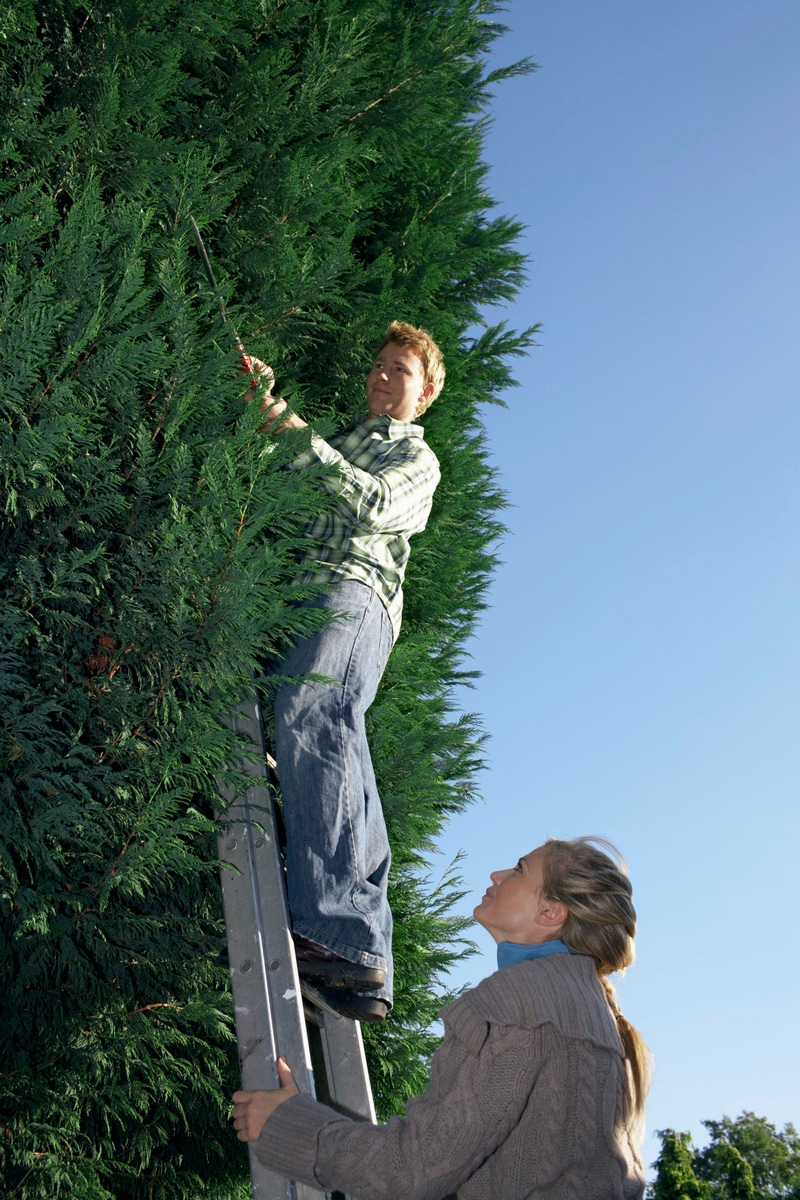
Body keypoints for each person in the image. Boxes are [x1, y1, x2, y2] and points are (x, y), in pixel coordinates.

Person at [231, 836, 650, 1199]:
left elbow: (418, 1166)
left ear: (551, 914)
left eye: (520, 870)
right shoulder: (603, 1025)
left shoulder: (521, 1004)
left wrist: (289, 1127)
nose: (497, 875)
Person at [244, 323, 444, 1022]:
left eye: (402, 371)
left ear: (424, 395)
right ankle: (357, 944)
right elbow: (305, 485)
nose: (384, 376)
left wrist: (289, 424)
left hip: (352, 593)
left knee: (318, 714)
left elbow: (373, 504)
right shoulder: (346, 441)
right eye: (380, 364)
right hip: (306, 595)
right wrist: (264, 408)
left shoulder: (416, 458)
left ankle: (338, 929)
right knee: (333, 737)